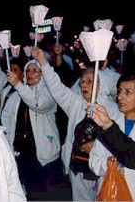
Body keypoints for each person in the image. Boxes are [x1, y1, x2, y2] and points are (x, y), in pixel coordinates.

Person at [0, 36, 61, 200]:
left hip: (42, 156)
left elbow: (36, 103)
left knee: (41, 195)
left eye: (35, 71)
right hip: (20, 153)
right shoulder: (15, 92)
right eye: (28, 70)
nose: (30, 74)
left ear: (43, 74)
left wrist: (18, 84)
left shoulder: (49, 92)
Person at [34, 46, 103, 201]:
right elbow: (57, 88)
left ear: (101, 85)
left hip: (101, 173)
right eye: (82, 81)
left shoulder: (113, 109)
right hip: (78, 170)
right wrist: (43, 61)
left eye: (90, 81)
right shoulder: (76, 104)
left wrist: (97, 146)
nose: (84, 85)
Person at [89, 74, 135, 201]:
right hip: (109, 194)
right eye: (119, 91)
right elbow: (93, 161)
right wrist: (106, 164)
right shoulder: (109, 123)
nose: (120, 97)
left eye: (128, 92)